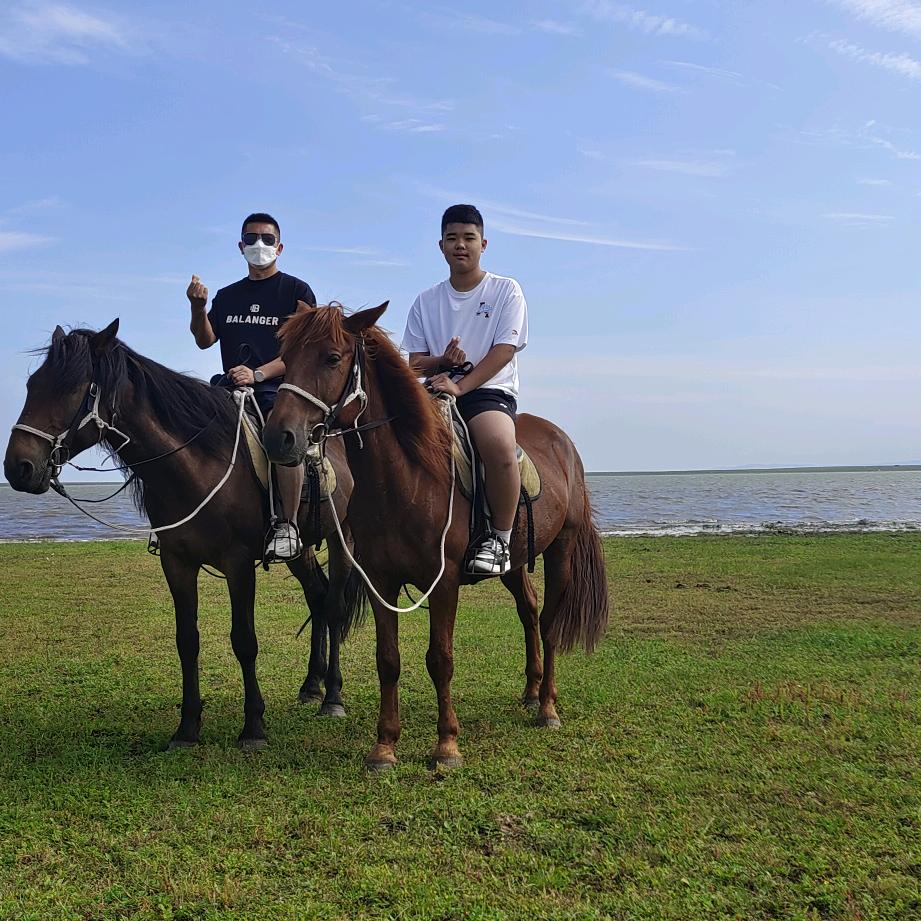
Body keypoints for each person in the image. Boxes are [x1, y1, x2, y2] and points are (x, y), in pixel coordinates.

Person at [402, 204, 528, 576]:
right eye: (452, 238)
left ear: (483, 244)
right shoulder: (426, 300)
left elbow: (504, 349)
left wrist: (461, 386)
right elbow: (415, 364)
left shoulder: (506, 290)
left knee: (499, 447)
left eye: (469, 238)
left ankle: (499, 538)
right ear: (440, 245)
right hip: (437, 391)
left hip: (488, 391)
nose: (461, 245)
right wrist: (442, 362)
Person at [187, 212, 316, 560]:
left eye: (267, 239)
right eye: (252, 238)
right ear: (240, 246)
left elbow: (306, 352)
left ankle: (287, 524)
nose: (259, 245)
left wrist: (258, 374)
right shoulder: (227, 296)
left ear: (280, 246)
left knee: (282, 435)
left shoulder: (296, 292)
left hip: (278, 390)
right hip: (227, 389)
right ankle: (185, 521)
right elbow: (205, 340)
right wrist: (198, 308)